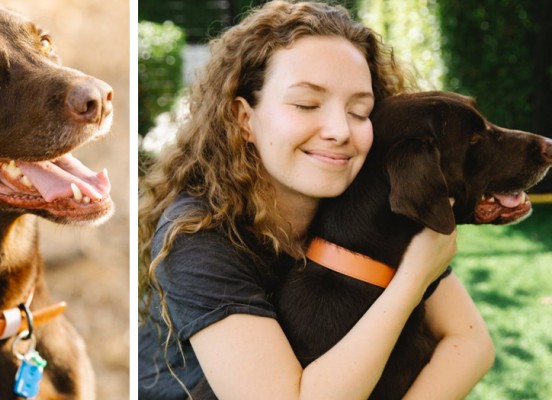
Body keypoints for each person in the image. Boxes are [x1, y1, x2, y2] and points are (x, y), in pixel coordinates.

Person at [138, 1, 495, 399]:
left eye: (360, 111)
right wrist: (412, 278)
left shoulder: (355, 195)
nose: (340, 130)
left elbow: (470, 342)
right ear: (243, 119)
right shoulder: (197, 238)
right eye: (306, 104)